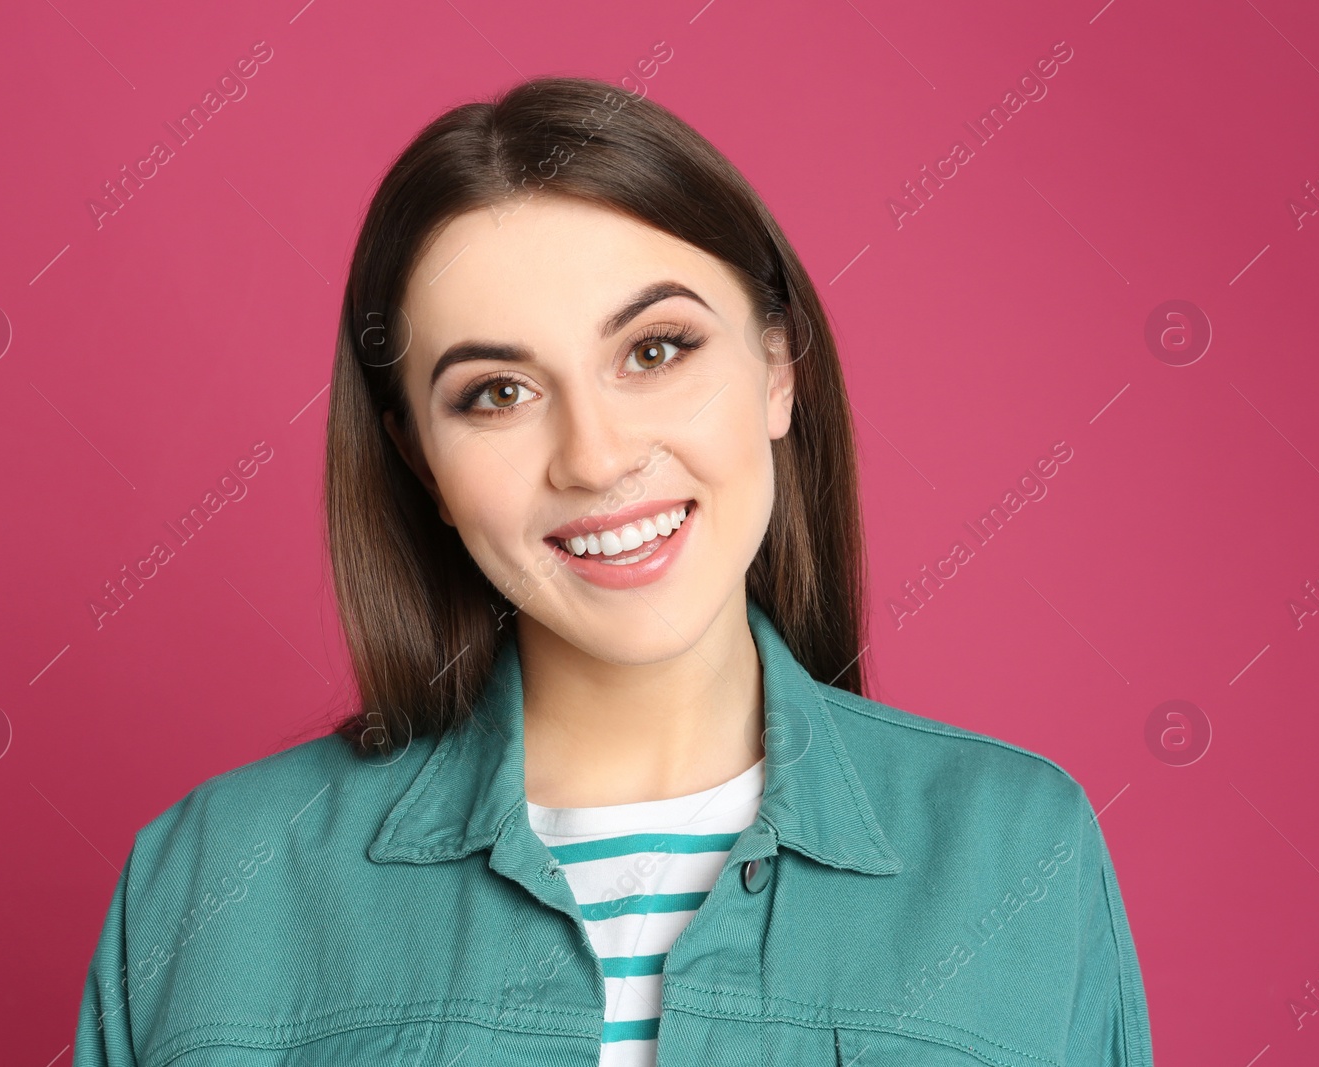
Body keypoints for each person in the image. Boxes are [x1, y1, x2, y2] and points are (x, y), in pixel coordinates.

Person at [72, 76, 1154, 1067]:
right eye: (496, 392)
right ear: (419, 458)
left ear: (778, 366)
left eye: (654, 350)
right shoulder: (211, 881)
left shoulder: (1016, 852)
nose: (592, 456)